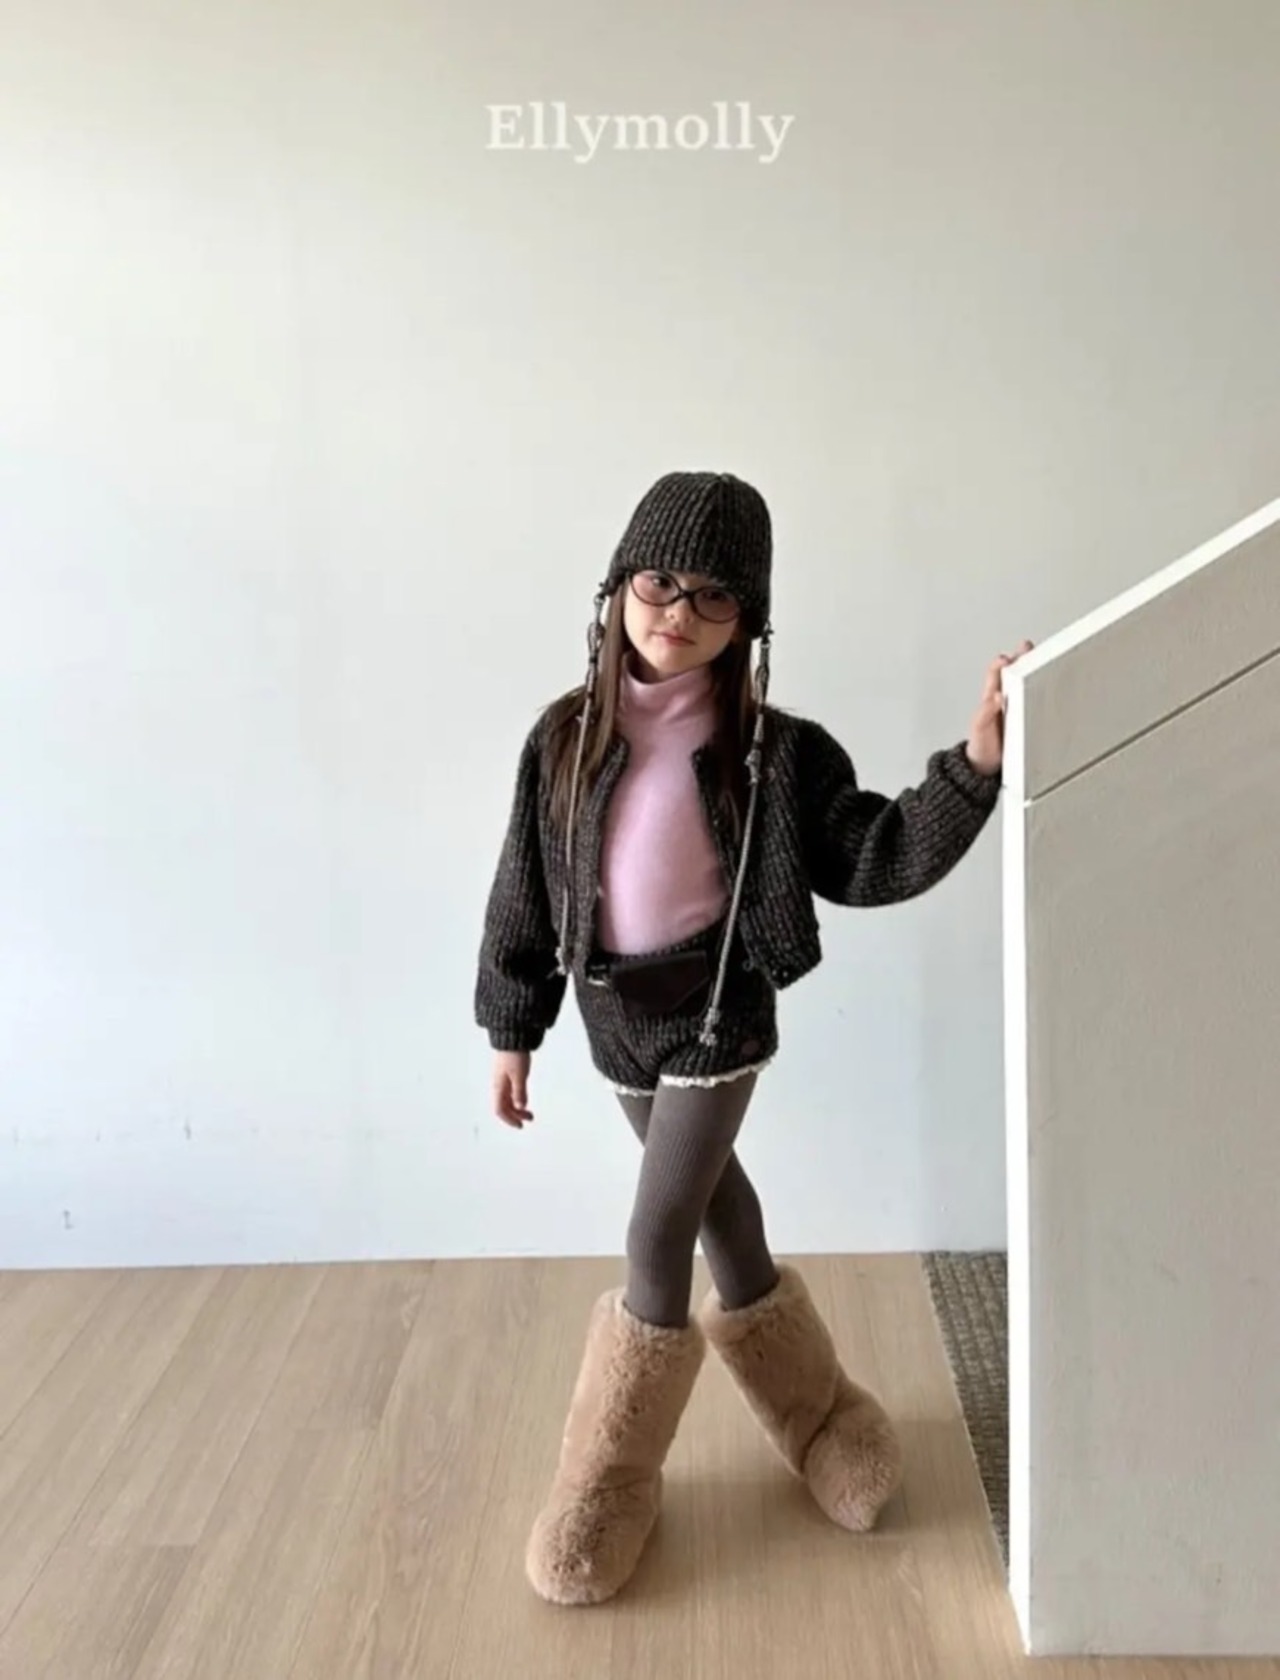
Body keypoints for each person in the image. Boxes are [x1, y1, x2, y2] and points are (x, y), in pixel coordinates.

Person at [474, 469, 1033, 1607]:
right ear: (617, 586)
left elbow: (872, 853)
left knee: (657, 1231)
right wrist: (511, 1028)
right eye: (658, 582)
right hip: (614, 1021)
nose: (677, 612)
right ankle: (821, 1418)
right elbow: (521, 892)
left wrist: (973, 768)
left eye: (713, 596)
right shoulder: (560, 739)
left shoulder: (774, 753)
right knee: (724, 1215)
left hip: (716, 1014)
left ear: (748, 623)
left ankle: (605, 1480)